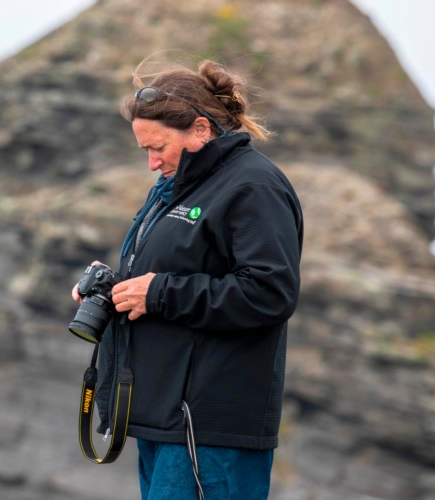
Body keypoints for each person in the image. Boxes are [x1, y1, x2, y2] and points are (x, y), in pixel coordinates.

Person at [71, 59, 303, 499]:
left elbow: (271, 292)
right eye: (145, 150)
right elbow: (181, 271)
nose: (151, 162)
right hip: (165, 418)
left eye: (157, 147)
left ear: (200, 129)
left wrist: (158, 293)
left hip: (208, 428)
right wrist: (118, 286)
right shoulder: (175, 186)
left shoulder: (253, 186)